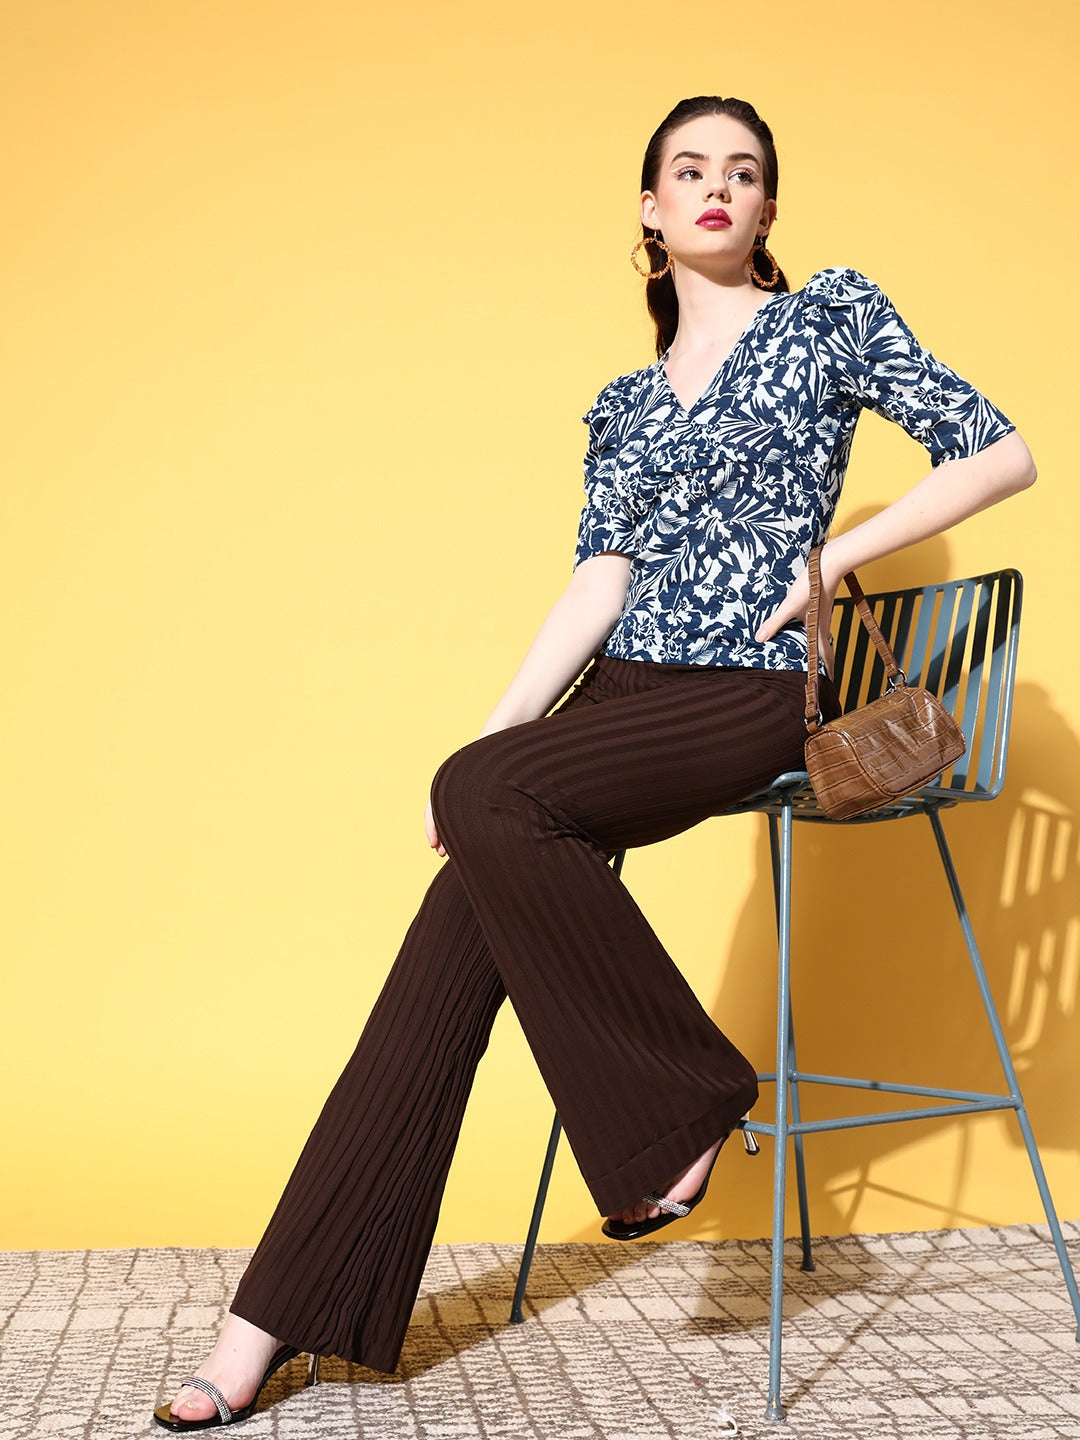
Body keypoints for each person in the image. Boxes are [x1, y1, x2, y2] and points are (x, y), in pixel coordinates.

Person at [152, 95, 1035, 1430]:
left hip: (749, 693)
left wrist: (833, 561)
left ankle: (683, 1103)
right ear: (651, 210)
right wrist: (494, 733)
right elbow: (601, 583)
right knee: (441, 956)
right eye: (691, 169)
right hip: (623, 695)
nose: (718, 186)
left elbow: (1002, 451)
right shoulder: (624, 403)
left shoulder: (827, 318)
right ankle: (262, 1325)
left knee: (482, 801)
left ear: (769, 206)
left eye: (744, 171)